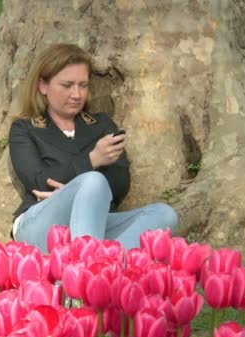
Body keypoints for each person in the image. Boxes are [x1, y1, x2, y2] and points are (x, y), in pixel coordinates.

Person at [9, 43, 178, 253]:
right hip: (42, 223)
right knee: (93, 180)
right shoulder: (25, 129)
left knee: (164, 215)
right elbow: (39, 182)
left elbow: (120, 182)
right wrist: (91, 162)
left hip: (94, 220)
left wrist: (81, 192)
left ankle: (95, 268)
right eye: (67, 85)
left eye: (83, 85)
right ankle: (86, 274)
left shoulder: (101, 124)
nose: (77, 94)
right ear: (43, 86)